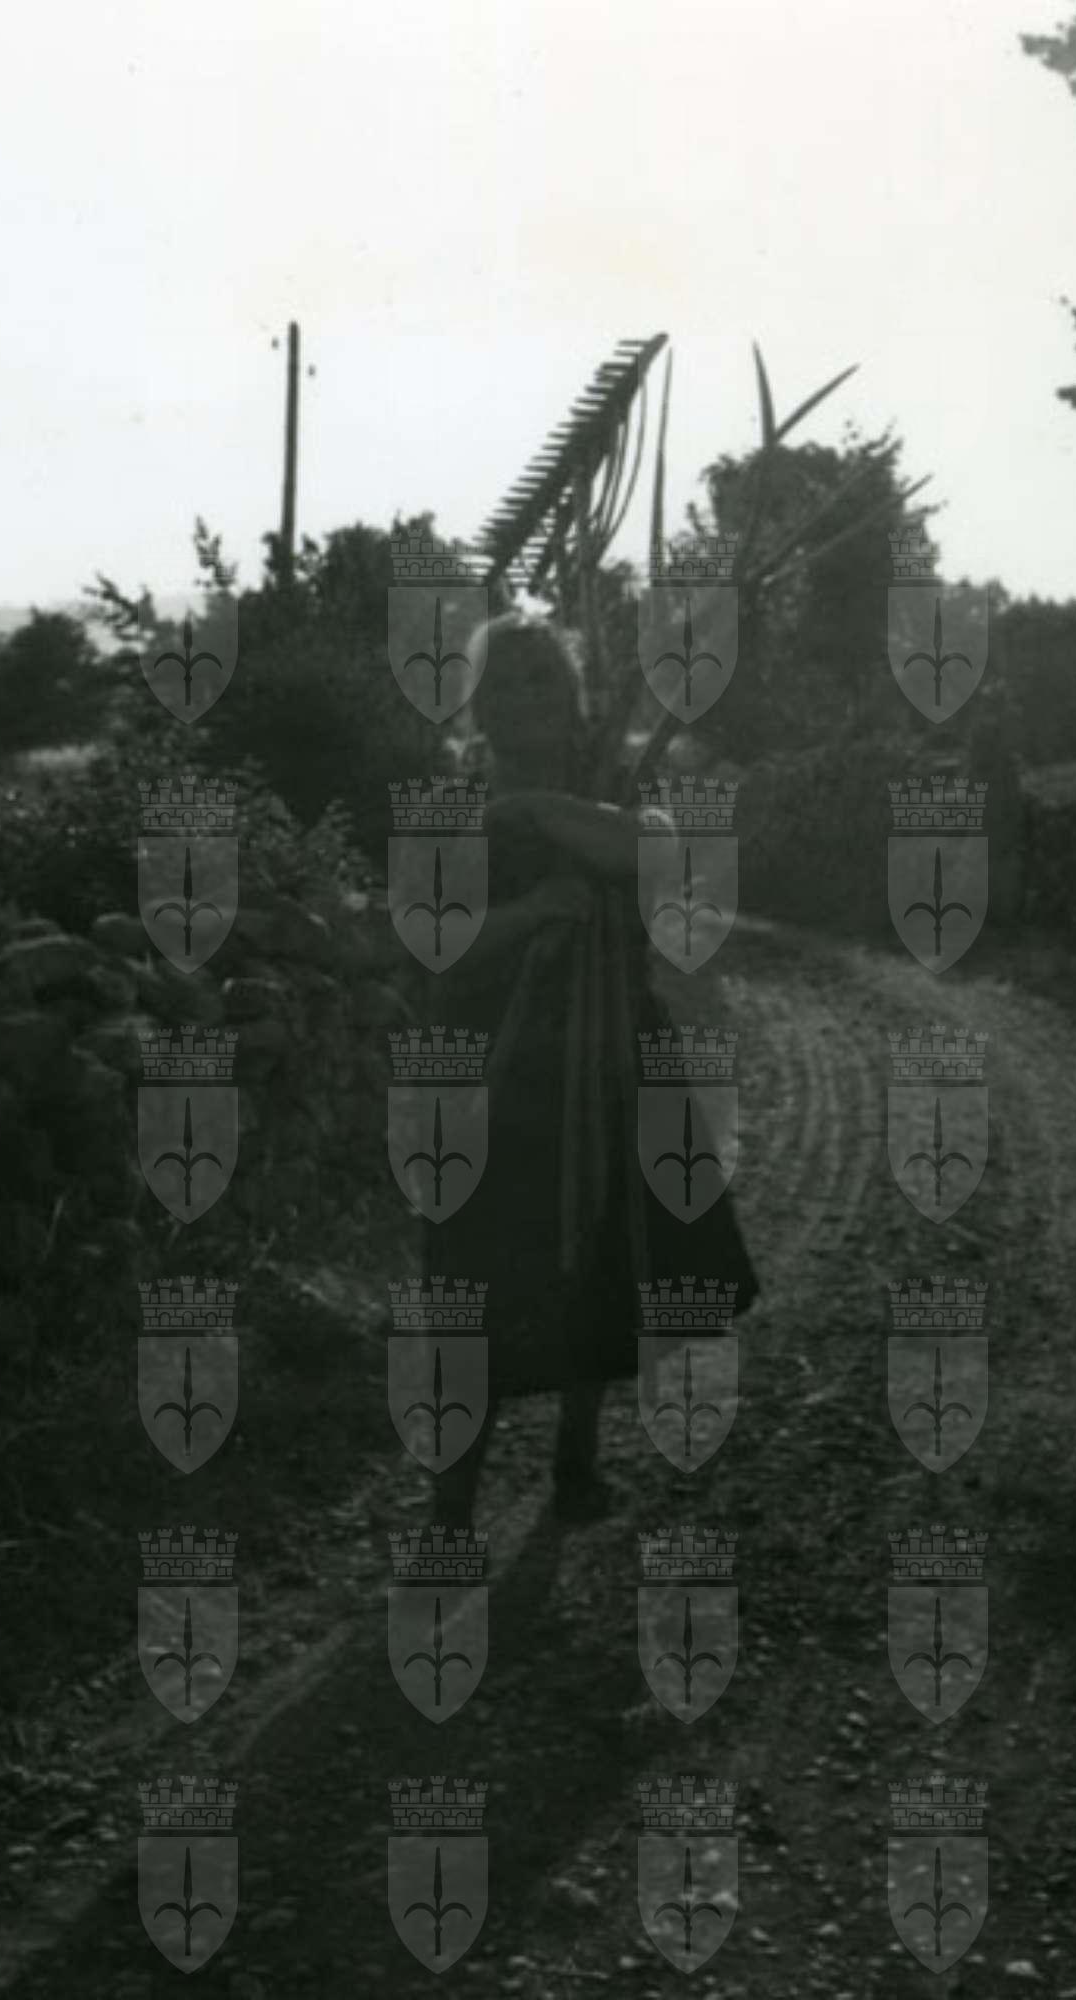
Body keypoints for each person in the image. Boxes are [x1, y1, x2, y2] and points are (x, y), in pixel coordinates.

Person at [424, 614, 759, 1527]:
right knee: (477, 1283)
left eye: (540, 680)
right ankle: (450, 1506)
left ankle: (575, 1464)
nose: (522, 698)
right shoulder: (454, 805)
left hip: (611, 1053)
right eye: (503, 684)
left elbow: (654, 852)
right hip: (495, 1069)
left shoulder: (612, 789)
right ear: (478, 704)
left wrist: (537, 810)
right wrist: (533, 913)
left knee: (607, 1257)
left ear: (571, 697)